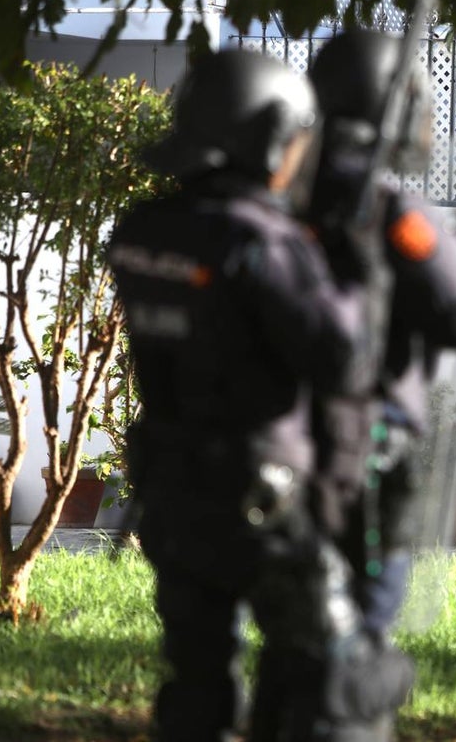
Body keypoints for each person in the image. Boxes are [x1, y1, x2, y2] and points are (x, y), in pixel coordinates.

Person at [108, 50, 408, 742]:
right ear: (270, 137)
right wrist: (361, 273)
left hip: (171, 491)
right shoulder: (260, 241)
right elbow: (343, 359)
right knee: (338, 675)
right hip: (261, 501)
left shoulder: (141, 229)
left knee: (195, 683)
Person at [305, 29, 456, 640]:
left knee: (296, 624)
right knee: (363, 632)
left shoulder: (278, 200)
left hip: (282, 439)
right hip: (366, 447)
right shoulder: (396, 213)